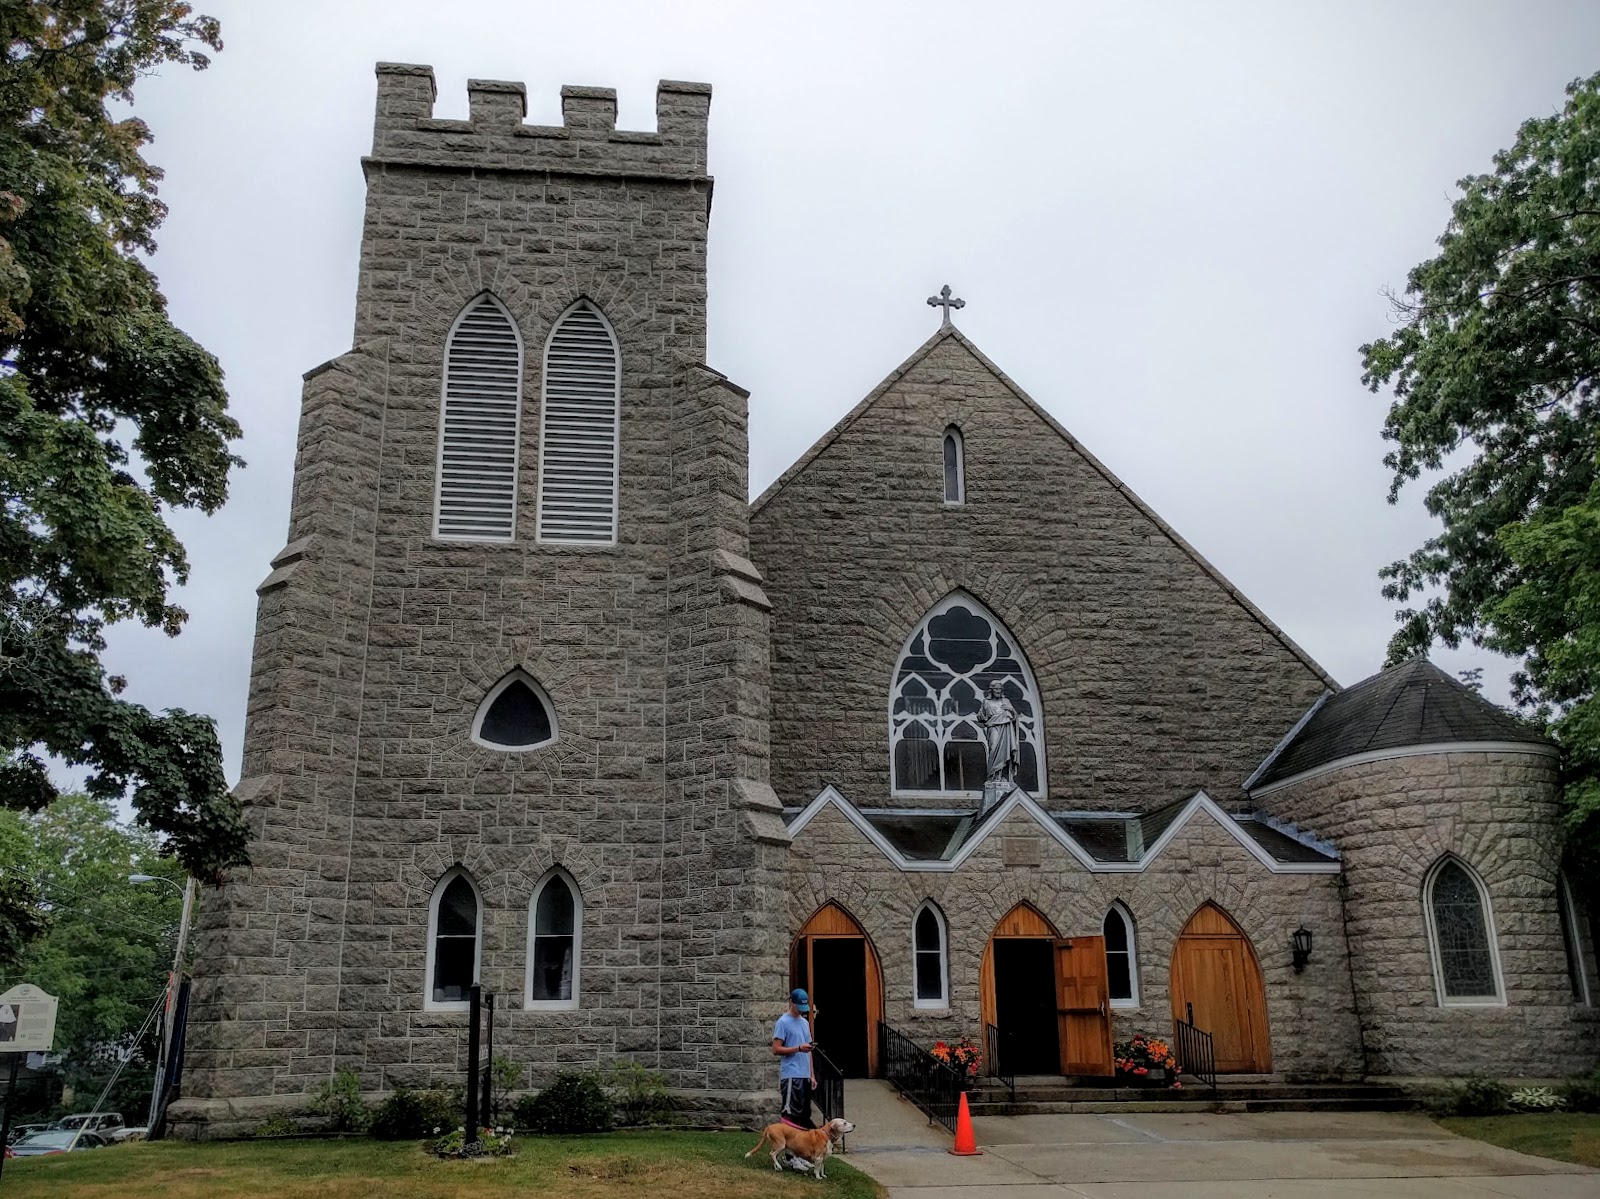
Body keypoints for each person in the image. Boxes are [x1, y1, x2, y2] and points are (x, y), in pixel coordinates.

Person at [771, 988, 817, 1131]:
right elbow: (776, 1049)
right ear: (791, 1002)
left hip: (804, 1075)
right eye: (799, 1006)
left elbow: (808, 1050)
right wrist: (797, 1048)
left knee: (804, 1114)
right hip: (791, 1074)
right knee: (790, 1113)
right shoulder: (783, 1022)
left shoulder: (804, 1022)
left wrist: (812, 1075)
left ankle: (800, 1150)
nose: (801, 1010)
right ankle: (789, 1152)